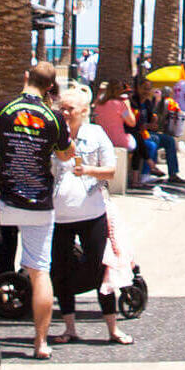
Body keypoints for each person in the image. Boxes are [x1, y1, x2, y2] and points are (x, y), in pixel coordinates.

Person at [0, 62, 73, 360]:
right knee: (39, 272)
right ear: (50, 87)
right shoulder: (54, 117)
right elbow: (65, 155)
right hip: (39, 205)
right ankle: (40, 342)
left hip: (4, 204)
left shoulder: (0, 110)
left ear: (25, 77)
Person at [50, 85, 131, 346]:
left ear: (83, 111)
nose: (64, 113)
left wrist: (87, 170)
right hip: (59, 216)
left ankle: (112, 328)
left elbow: (110, 170)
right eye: (61, 108)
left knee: (100, 270)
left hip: (92, 212)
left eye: (69, 109)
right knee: (59, 271)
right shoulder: (53, 134)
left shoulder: (95, 134)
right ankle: (69, 328)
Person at [94, 80, 136, 155]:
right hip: (119, 141)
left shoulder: (98, 105)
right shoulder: (121, 105)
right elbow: (132, 123)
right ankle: (130, 165)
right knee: (133, 143)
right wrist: (128, 106)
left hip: (101, 140)